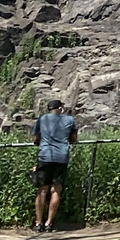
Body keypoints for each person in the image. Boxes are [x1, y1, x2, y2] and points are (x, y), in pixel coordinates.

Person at [31, 98, 76, 232]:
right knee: (56, 190)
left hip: (45, 156)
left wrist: (41, 142)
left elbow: (35, 138)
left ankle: (38, 223)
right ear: (60, 108)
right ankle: (49, 223)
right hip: (62, 157)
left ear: (49, 109)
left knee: (42, 190)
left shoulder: (42, 118)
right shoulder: (69, 120)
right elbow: (73, 139)